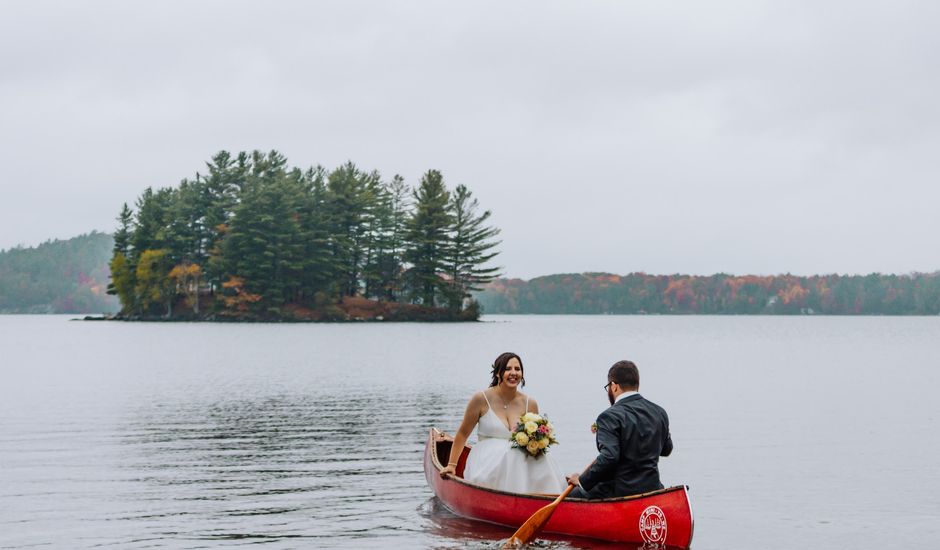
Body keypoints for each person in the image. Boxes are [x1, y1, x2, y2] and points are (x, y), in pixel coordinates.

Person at [440, 352, 566, 494]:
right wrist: (451, 465)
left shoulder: (530, 403)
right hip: (486, 459)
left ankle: (544, 496)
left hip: (518, 458)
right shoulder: (481, 399)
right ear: (498, 373)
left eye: (517, 369)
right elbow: (463, 434)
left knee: (543, 458)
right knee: (512, 455)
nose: (513, 373)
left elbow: (534, 439)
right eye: (508, 369)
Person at [566, 360, 673, 499]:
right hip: (652, 489)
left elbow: (609, 457)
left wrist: (581, 481)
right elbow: (666, 449)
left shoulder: (608, 416)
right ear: (637, 385)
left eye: (608, 387)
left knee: (573, 496)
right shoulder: (659, 412)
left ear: (614, 386)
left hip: (620, 491)